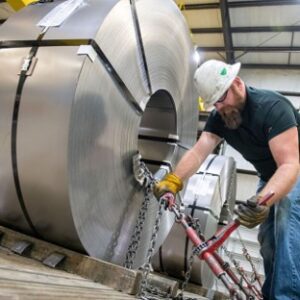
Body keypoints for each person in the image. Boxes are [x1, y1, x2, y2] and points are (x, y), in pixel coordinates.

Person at [154, 59, 300, 300]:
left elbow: (290, 165)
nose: (219, 108)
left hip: (294, 170)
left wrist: (262, 200)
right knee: (267, 240)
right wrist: (174, 180)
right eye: (214, 103)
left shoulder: (273, 108)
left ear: (238, 84)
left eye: (222, 99)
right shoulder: (220, 117)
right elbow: (199, 151)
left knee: (286, 220)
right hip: (270, 176)